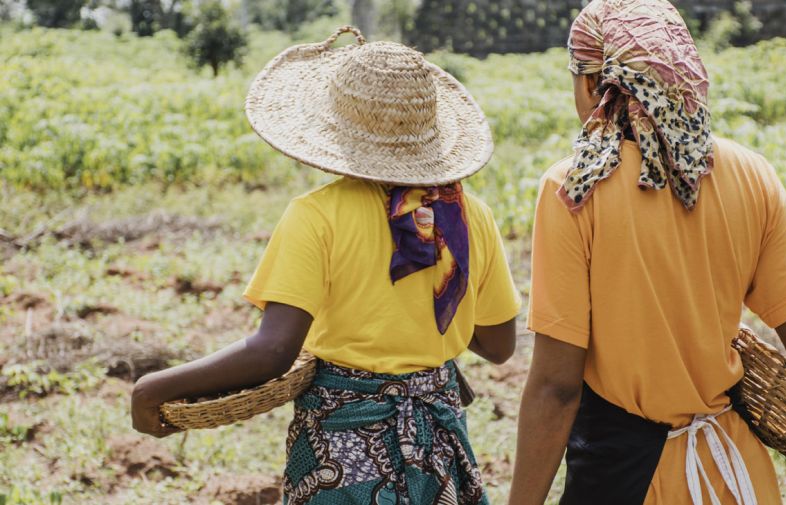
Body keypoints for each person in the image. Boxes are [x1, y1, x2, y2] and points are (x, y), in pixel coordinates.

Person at [131, 26, 521, 504]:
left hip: (341, 448)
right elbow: (499, 345)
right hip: (438, 444)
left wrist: (154, 387)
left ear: (333, 128)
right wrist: (429, 328)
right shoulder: (468, 216)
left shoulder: (316, 216)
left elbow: (273, 350)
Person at [509, 2, 786, 504]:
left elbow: (556, 388)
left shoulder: (575, 189)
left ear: (593, 86)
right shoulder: (752, 175)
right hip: (734, 475)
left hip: (623, 479)